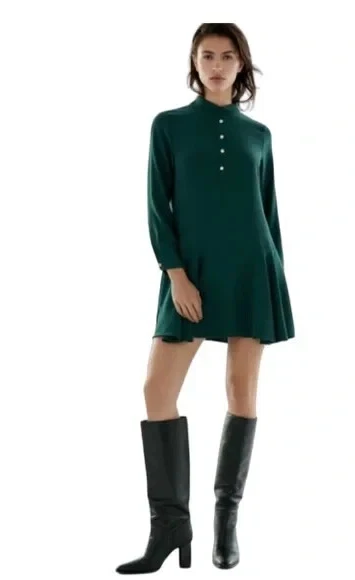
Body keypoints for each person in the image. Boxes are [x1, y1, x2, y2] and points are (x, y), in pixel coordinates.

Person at [115, 23, 295, 574]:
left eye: (227, 56)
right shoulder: (168, 126)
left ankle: (225, 519)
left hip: (251, 271)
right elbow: (158, 206)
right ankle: (171, 525)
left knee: (241, 389)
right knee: (156, 391)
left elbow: (268, 213)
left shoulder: (259, 135)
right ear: (194, 63)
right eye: (208, 56)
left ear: (242, 65)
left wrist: (274, 282)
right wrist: (176, 274)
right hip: (189, 273)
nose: (217, 65)